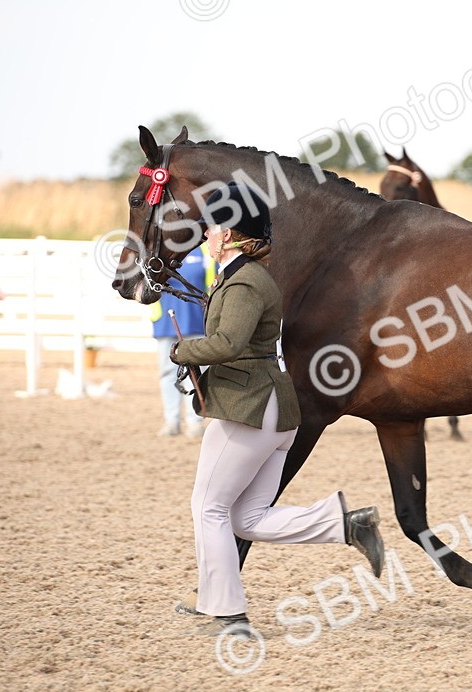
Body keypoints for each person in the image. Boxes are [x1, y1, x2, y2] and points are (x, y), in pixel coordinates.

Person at [170, 181, 385, 635]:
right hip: (269, 410)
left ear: (228, 233)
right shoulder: (239, 276)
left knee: (207, 506)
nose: (206, 234)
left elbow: (229, 342)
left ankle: (228, 613)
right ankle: (346, 524)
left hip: (250, 408)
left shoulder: (246, 280)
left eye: (212, 227)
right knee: (248, 518)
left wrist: (183, 352)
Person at [151, 244, 214, 438]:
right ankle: (172, 421)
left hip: (196, 322)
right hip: (165, 322)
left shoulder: (204, 251)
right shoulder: (160, 251)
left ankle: (194, 421)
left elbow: (212, 286)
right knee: (167, 372)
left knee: (196, 373)